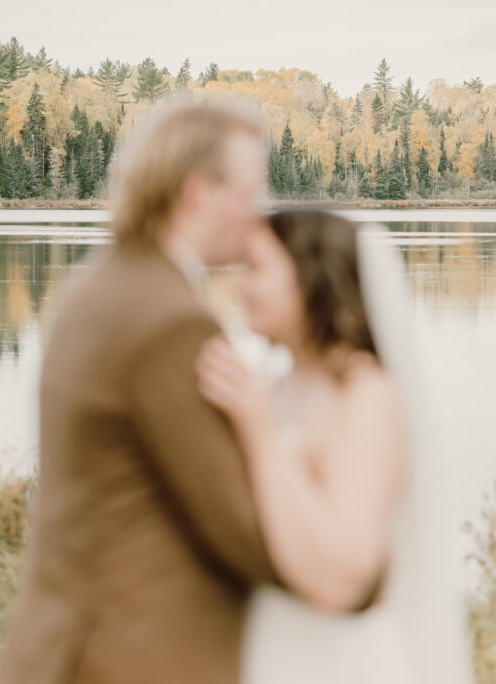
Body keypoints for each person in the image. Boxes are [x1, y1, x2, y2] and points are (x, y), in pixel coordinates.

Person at [0, 99, 285, 684]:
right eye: (252, 192)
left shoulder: (94, 286)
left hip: (58, 651)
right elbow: (245, 534)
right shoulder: (171, 324)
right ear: (199, 192)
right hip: (132, 661)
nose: (262, 214)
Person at [196, 209, 475, 684]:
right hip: (274, 642)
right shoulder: (274, 386)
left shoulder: (366, 397)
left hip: (340, 660)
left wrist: (260, 435)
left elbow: (345, 576)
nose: (239, 286)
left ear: (309, 277)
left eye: (256, 268)